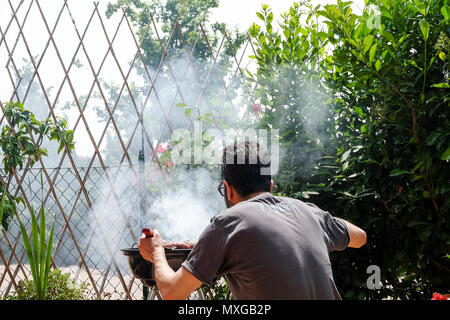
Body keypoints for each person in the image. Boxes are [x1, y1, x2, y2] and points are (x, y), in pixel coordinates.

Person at [138, 141, 367, 300]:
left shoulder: (227, 224)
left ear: (227, 190)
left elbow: (172, 292)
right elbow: (360, 237)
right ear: (270, 187)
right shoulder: (309, 212)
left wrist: (157, 251)